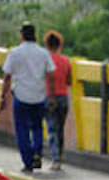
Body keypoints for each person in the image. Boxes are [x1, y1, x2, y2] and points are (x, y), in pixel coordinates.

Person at [1, 23, 56, 173]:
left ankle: (28, 161)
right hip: (39, 96)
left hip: (21, 96)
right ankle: (37, 151)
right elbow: (51, 75)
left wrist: (3, 95)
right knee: (37, 126)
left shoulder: (15, 53)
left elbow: (7, 76)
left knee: (22, 130)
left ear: (22, 35)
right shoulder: (43, 53)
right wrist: (51, 96)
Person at [44, 30, 71, 171]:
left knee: (52, 129)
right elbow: (70, 80)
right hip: (64, 97)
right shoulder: (66, 60)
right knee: (60, 129)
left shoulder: (45, 60)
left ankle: (55, 160)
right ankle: (60, 156)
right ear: (59, 44)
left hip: (50, 97)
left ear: (47, 44)